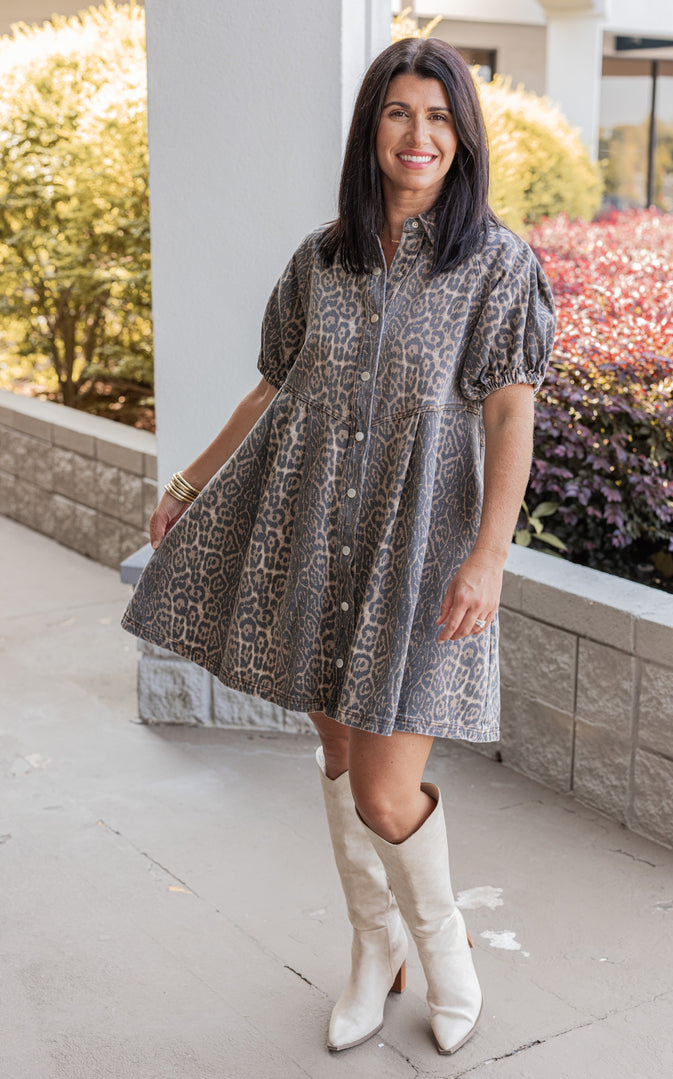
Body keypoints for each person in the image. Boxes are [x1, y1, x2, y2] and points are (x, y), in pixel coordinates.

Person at [122, 36, 555, 1057]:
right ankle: (374, 949)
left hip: (421, 552)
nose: (419, 135)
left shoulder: (496, 265)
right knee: (334, 752)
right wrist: (186, 483)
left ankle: (445, 954)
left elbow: (510, 413)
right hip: (316, 533)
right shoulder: (321, 259)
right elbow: (272, 387)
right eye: (400, 112)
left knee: (383, 788)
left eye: (439, 117)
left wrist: (490, 554)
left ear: (463, 136)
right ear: (372, 129)